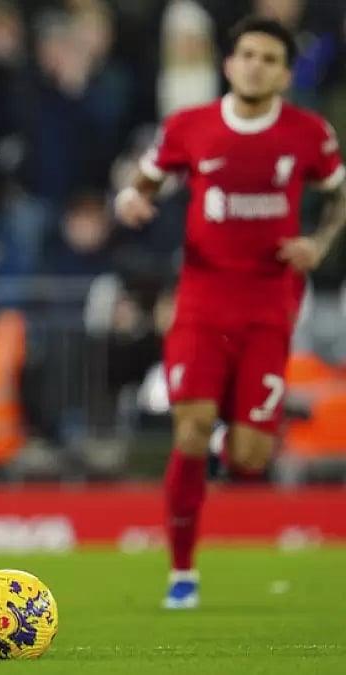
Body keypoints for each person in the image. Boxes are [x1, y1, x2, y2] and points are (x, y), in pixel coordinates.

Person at [114, 16, 345, 610]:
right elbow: (145, 180)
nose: (255, 66)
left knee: (250, 457)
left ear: (286, 75)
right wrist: (132, 200)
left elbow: (338, 196)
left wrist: (319, 244)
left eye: (269, 59)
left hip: (269, 308)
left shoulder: (309, 134)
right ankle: (182, 574)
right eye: (247, 55)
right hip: (201, 302)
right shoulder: (190, 127)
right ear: (228, 64)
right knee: (188, 430)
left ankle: (228, 431)